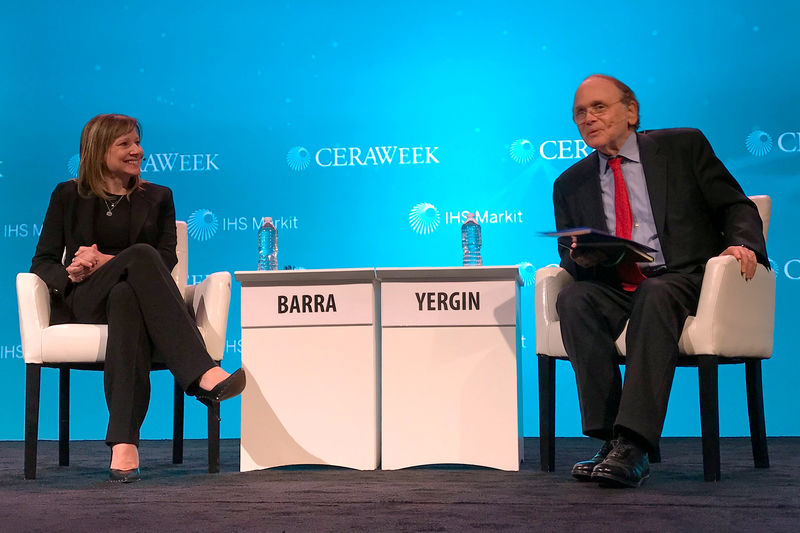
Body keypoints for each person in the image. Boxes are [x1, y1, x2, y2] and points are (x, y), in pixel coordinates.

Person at [552, 75, 768, 487]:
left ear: (631, 112)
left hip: (684, 279)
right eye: (580, 113)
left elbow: (735, 206)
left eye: (599, 107)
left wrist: (742, 244)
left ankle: (633, 444)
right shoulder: (570, 183)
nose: (588, 119)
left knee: (657, 289)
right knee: (574, 300)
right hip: (618, 286)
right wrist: (580, 257)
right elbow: (569, 255)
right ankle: (610, 438)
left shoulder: (682, 146)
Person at [30, 113, 246, 483]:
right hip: (84, 299)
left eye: (138, 142)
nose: (138, 151)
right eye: (125, 144)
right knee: (141, 256)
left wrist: (104, 259)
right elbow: (43, 261)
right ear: (99, 151)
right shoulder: (67, 195)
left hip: (134, 303)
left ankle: (124, 444)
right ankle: (200, 373)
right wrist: (71, 274)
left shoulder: (158, 197)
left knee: (127, 295)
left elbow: (167, 260)